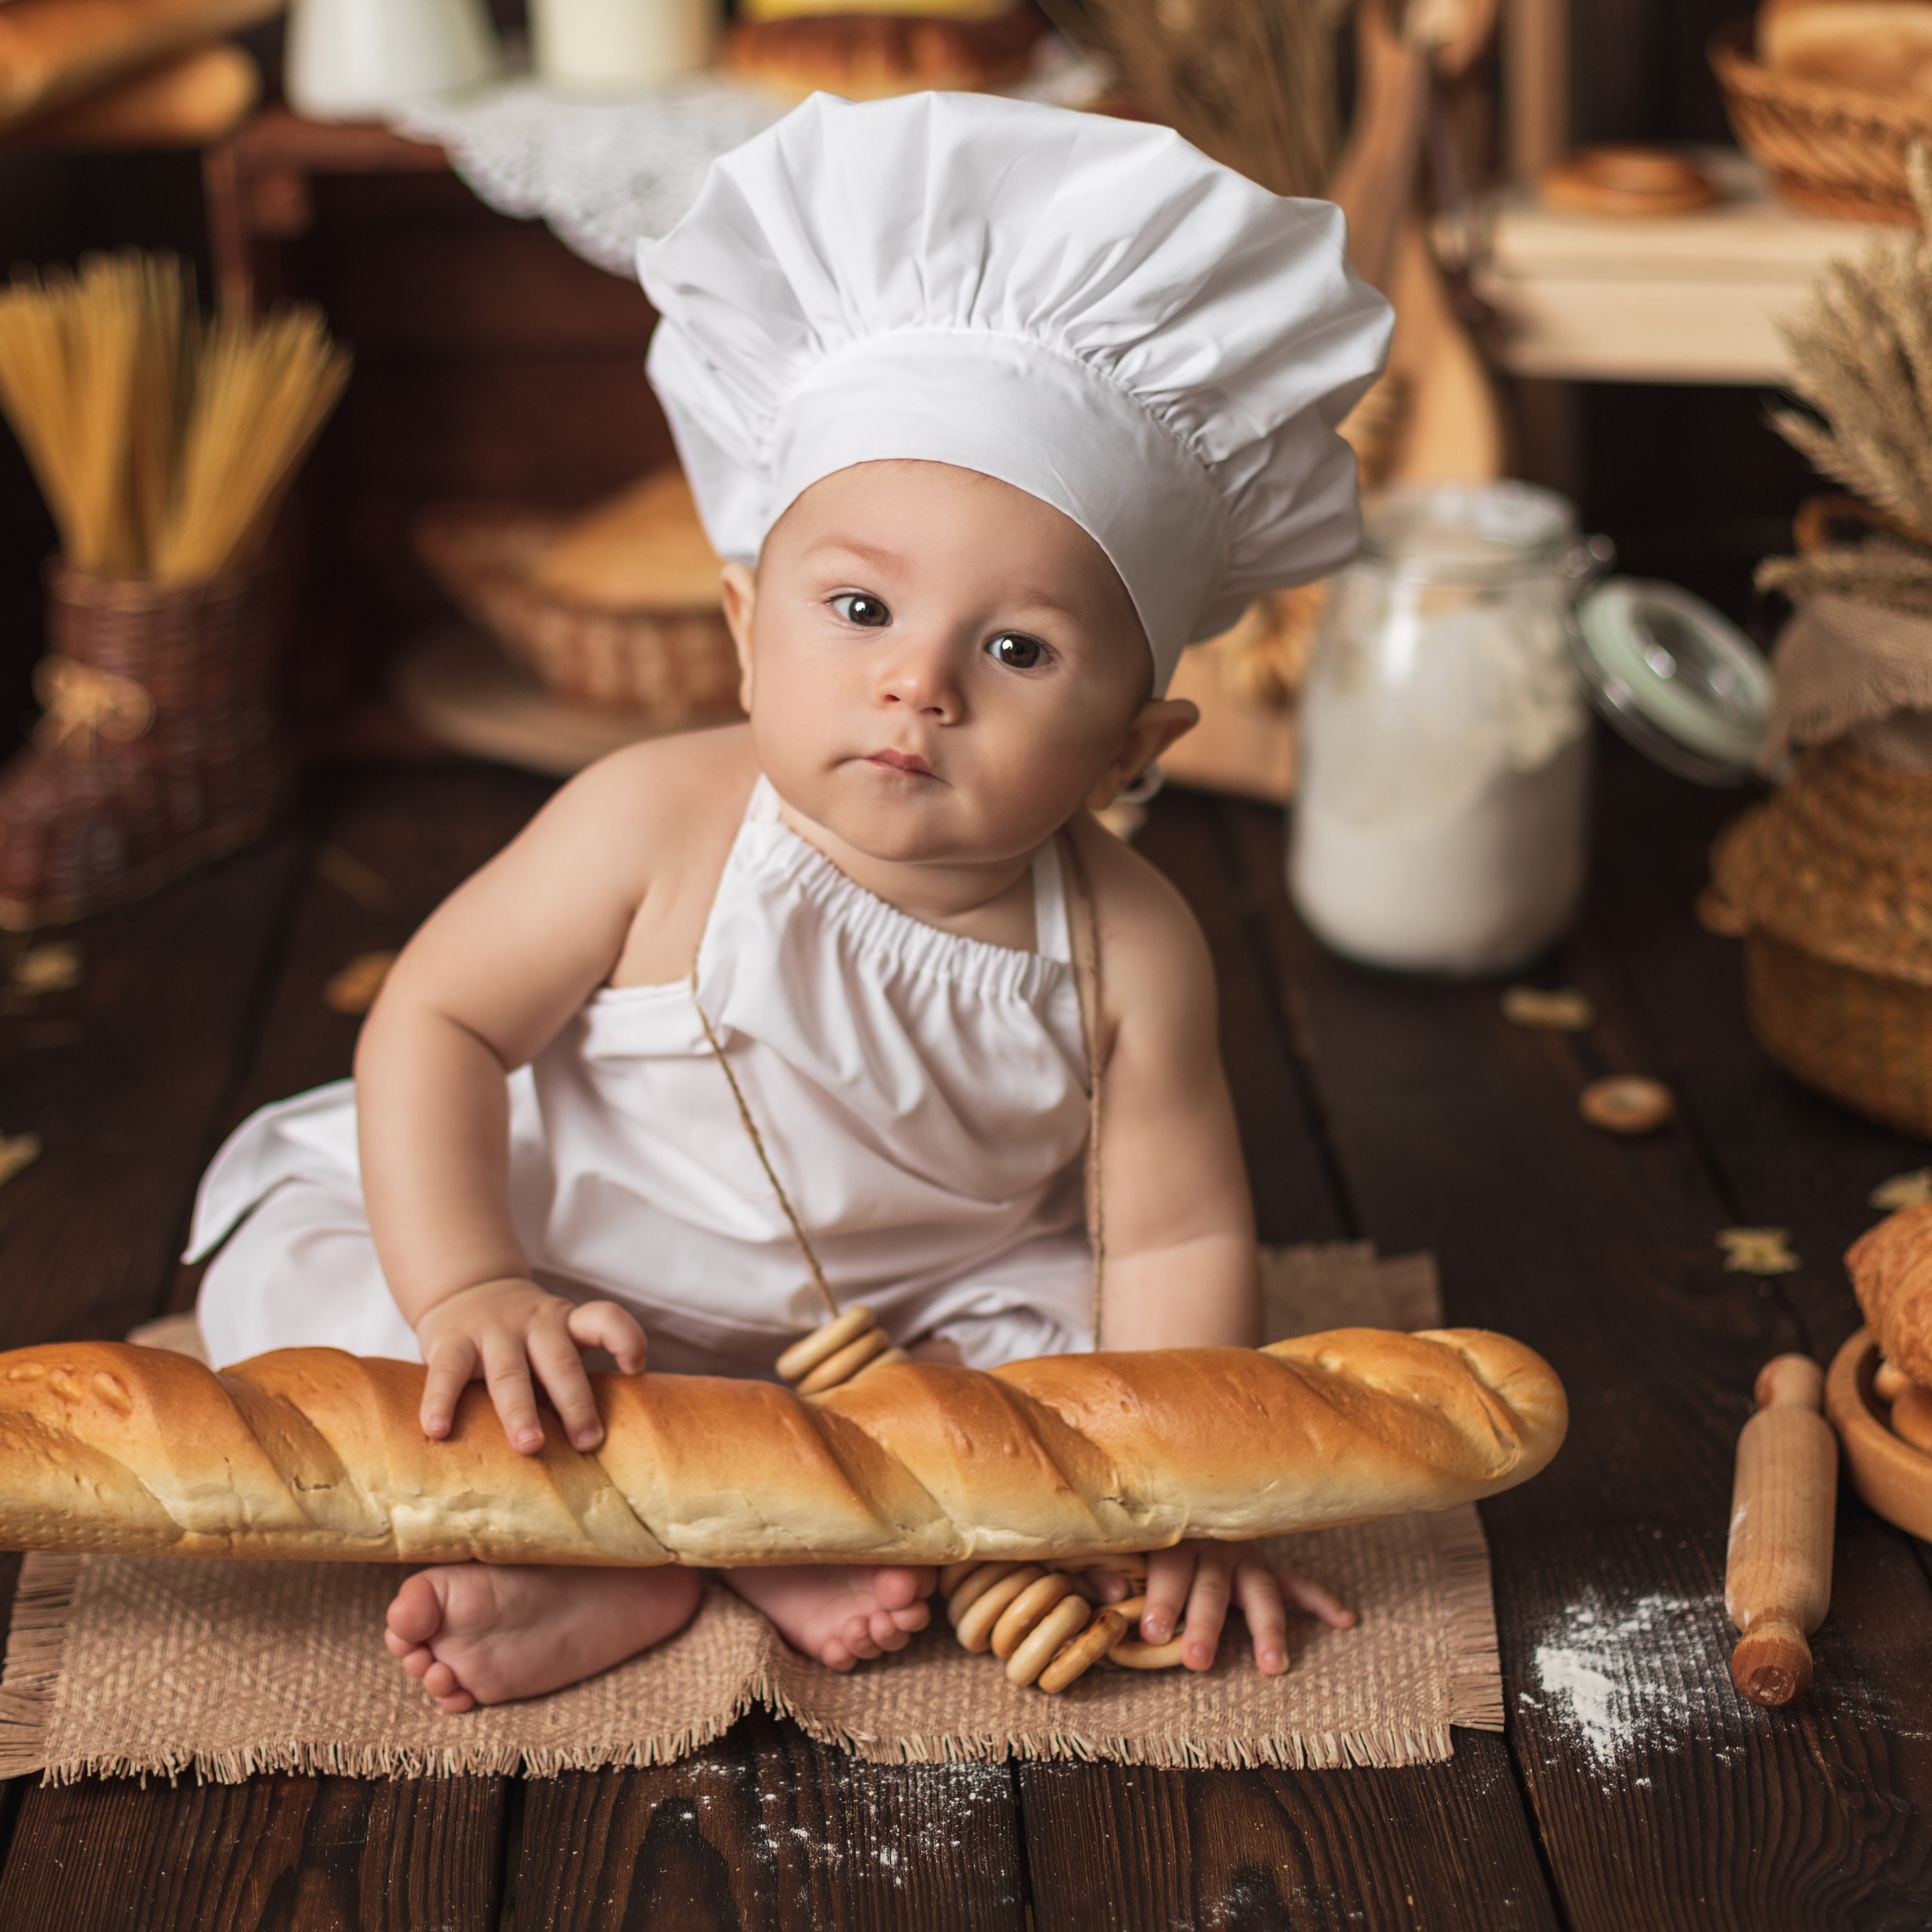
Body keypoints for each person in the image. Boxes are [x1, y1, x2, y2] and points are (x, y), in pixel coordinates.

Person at [187, 90, 1392, 1713]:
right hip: (565, 1254)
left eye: (1016, 647)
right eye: (857, 604)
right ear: (748, 625)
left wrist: (1183, 1486)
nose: (917, 680)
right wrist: (471, 1279)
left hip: (903, 1324)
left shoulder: (1128, 943)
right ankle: (684, 1522)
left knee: (1072, 1363)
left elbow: (1170, 1229)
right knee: (298, 1297)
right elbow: (442, 1018)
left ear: (1127, 747)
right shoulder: (654, 815)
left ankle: (668, 1519)